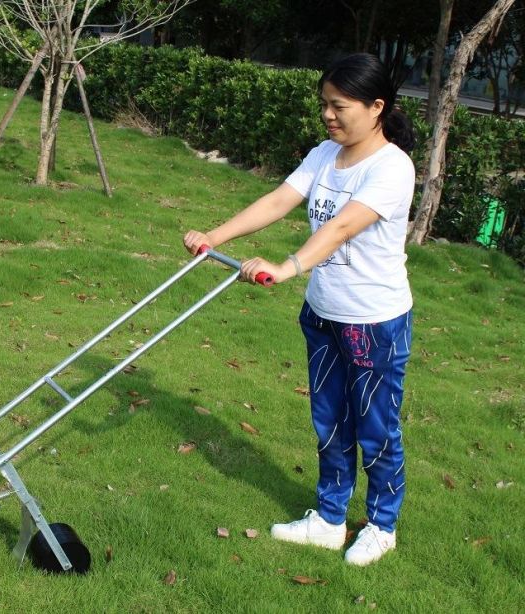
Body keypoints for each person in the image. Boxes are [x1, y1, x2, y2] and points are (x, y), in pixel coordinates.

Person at [183, 53, 416, 567]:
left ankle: (381, 525)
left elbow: (342, 228)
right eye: (324, 106)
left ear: (376, 107)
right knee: (329, 421)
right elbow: (277, 200)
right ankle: (331, 519)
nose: (328, 116)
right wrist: (213, 237)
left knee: (376, 427)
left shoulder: (393, 167)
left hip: (373, 323)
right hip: (324, 315)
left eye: (340, 106)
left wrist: (289, 267)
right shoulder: (324, 154)